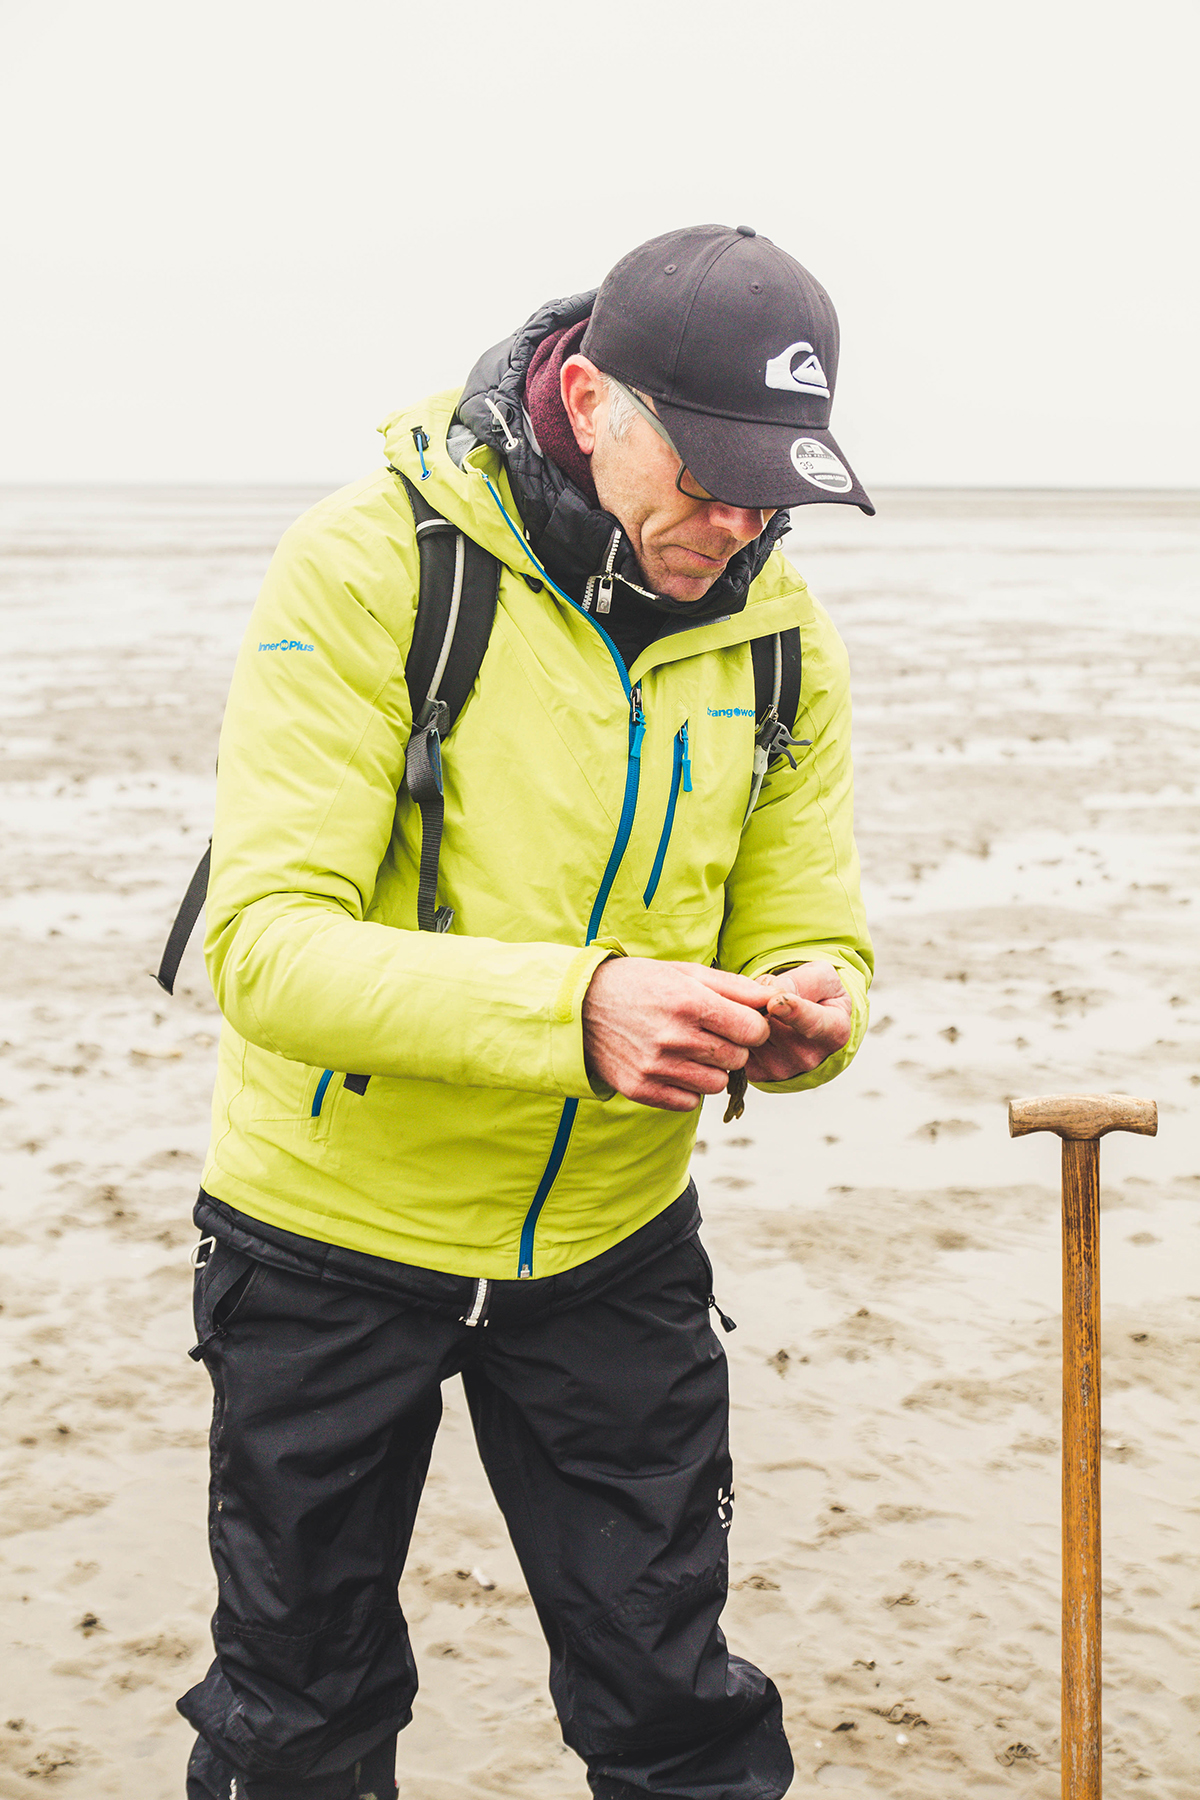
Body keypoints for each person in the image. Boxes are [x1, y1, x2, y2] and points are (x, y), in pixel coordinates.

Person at [179, 222, 874, 1800]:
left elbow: (813, 926)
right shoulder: (370, 562)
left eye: (775, 477)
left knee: (677, 1710)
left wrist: (817, 1012)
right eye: (707, 470)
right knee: (300, 1717)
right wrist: (588, 1009)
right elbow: (266, 950)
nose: (740, 517)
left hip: (614, 1248)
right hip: (324, 1241)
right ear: (587, 394)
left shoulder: (781, 635)